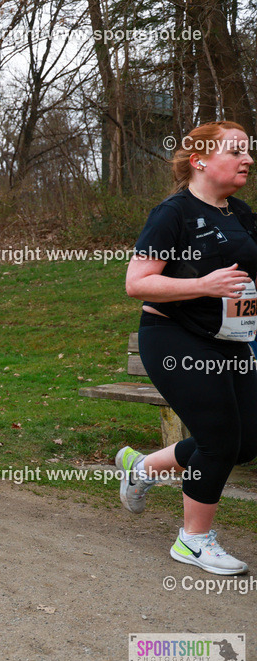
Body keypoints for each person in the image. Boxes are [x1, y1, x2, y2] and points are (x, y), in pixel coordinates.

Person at [118, 121, 257, 576]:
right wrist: (202, 284)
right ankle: (193, 541)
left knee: (246, 441)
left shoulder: (239, 213)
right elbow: (136, 283)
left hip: (232, 338)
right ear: (199, 160)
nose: (248, 159)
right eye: (236, 151)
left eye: (248, 152)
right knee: (219, 441)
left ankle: (143, 468)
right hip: (175, 338)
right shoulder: (172, 213)